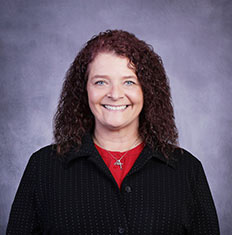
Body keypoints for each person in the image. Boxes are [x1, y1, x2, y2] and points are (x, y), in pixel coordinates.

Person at [6, 30, 219, 234]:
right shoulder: (43, 167)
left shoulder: (186, 170)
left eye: (128, 82)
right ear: (84, 89)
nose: (115, 94)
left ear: (147, 90)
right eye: (101, 82)